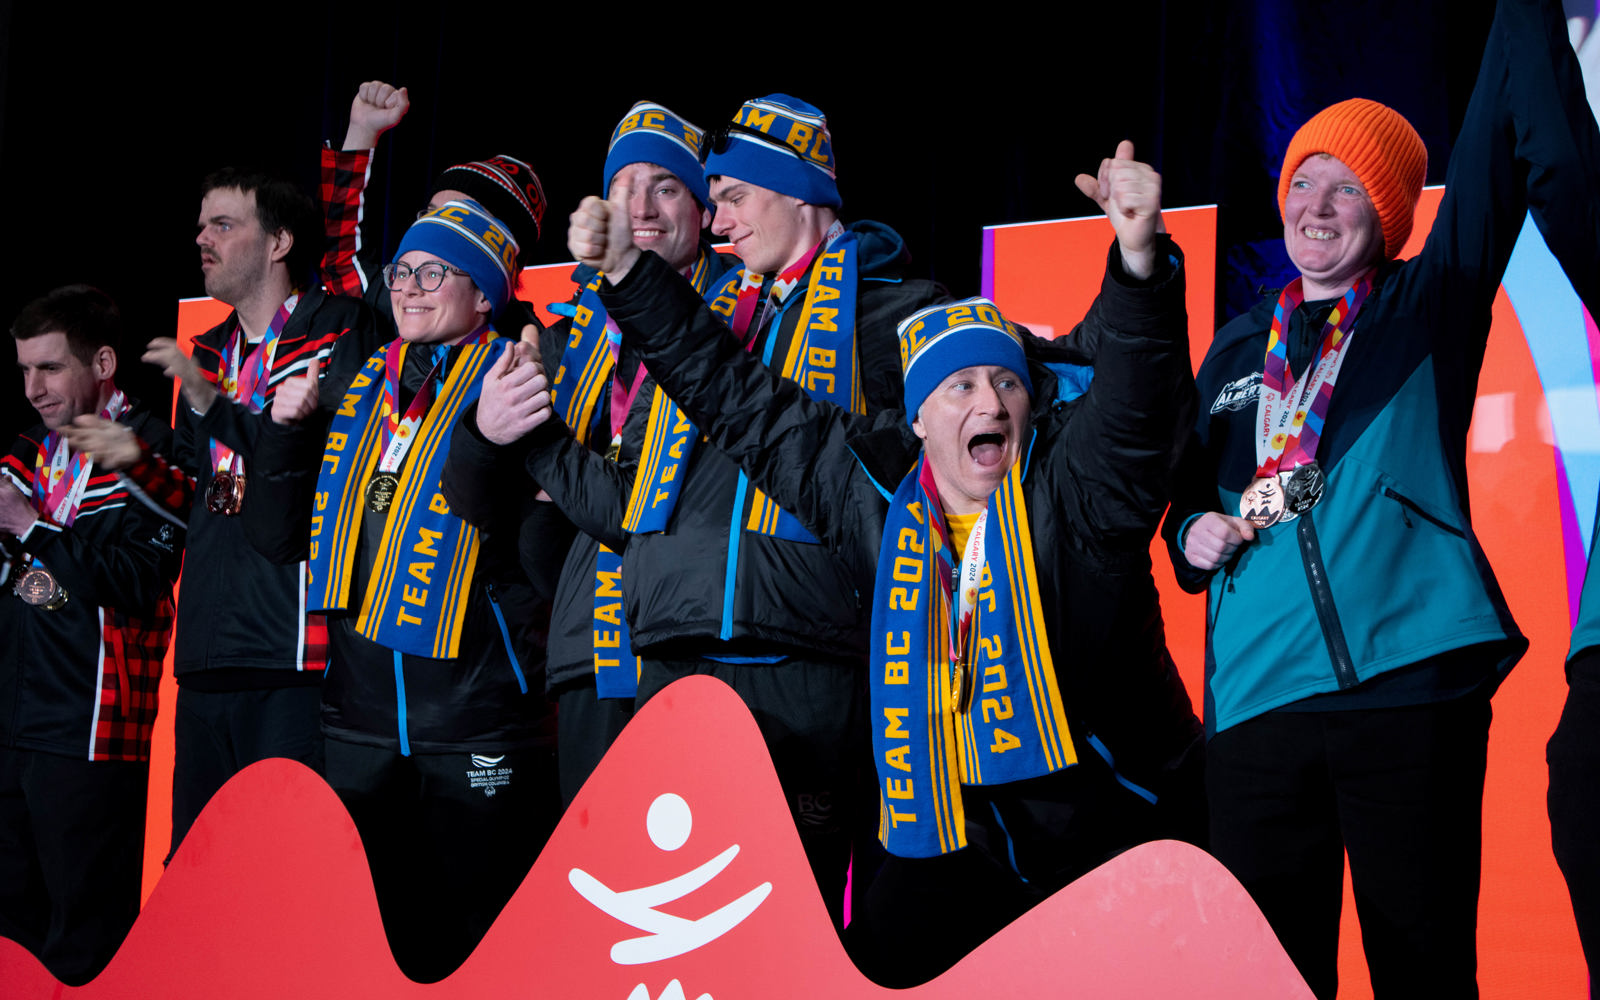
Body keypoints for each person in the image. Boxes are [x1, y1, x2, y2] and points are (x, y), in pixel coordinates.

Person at [558, 140, 1202, 984]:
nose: (988, 402)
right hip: (944, 824)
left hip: (1105, 823)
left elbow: (1136, 403)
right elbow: (735, 395)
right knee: (883, 966)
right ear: (920, 421)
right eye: (959, 387)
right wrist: (628, 276)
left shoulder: (1076, 492)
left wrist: (1140, 262)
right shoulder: (869, 488)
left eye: (1006, 384)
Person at [1162, 0, 1600, 994]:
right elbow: (1179, 492)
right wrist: (1190, 527)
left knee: (1424, 966)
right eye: (1302, 179)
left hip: (1408, 684)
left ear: (1392, 212)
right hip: (1258, 706)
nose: (1316, 202)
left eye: (1348, 185)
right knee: (1269, 978)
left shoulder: (1428, 301)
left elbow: (1498, 130)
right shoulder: (1236, 349)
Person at [522, 94, 949, 925]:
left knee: (784, 922)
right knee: (654, 921)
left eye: (734, 195)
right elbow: (634, 488)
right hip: (672, 656)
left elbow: (897, 489)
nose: (716, 215)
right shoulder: (708, 317)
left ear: (802, 195)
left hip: (807, 661)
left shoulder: (891, 309)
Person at [245, 198, 558, 983]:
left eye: (435, 274)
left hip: (477, 710)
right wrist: (284, 437)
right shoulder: (363, 383)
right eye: (403, 272)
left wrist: (488, 439)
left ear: (485, 295)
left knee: (482, 939)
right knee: (370, 939)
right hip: (358, 718)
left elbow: (530, 542)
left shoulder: (521, 377)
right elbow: (276, 540)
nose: (411, 289)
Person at [76, 168, 382, 860]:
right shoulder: (208, 351)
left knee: (287, 867)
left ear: (277, 242)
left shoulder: (339, 328)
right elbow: (192, 493)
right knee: (200, 868)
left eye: (223, 224)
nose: (201, 239)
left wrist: (359, 144)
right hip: (209, 652)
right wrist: (135, 458)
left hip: (296, 655)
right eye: (200, 225)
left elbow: (308, 456)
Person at [442, 100, 735, 805]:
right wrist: (486, 431)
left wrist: (547, 456)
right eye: (623, 186)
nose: (642, 206)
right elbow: (477, 505)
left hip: (696, 649)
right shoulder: (569, 336)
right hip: (582, 648)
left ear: (702, 209)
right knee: (596, 888)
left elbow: (629, 505)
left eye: (666, 186)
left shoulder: (735, 321)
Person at [0, 286, 183, 984]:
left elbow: (140, 581)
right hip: (17, 717)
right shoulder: (32, 449)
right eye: (22, 371)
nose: (33, 389)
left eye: (47, 368)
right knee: (11, 927)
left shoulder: (147, 448)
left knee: (84, 931)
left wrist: (33, 529)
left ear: (102, 361)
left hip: (93, 727)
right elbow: (36, 588)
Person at [322, 79, 548, 332]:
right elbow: (343, 266)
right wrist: (362, 131)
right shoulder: (405, 302)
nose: (432, 229)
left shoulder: (533, 354)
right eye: (430, 214)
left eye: (454, 218)